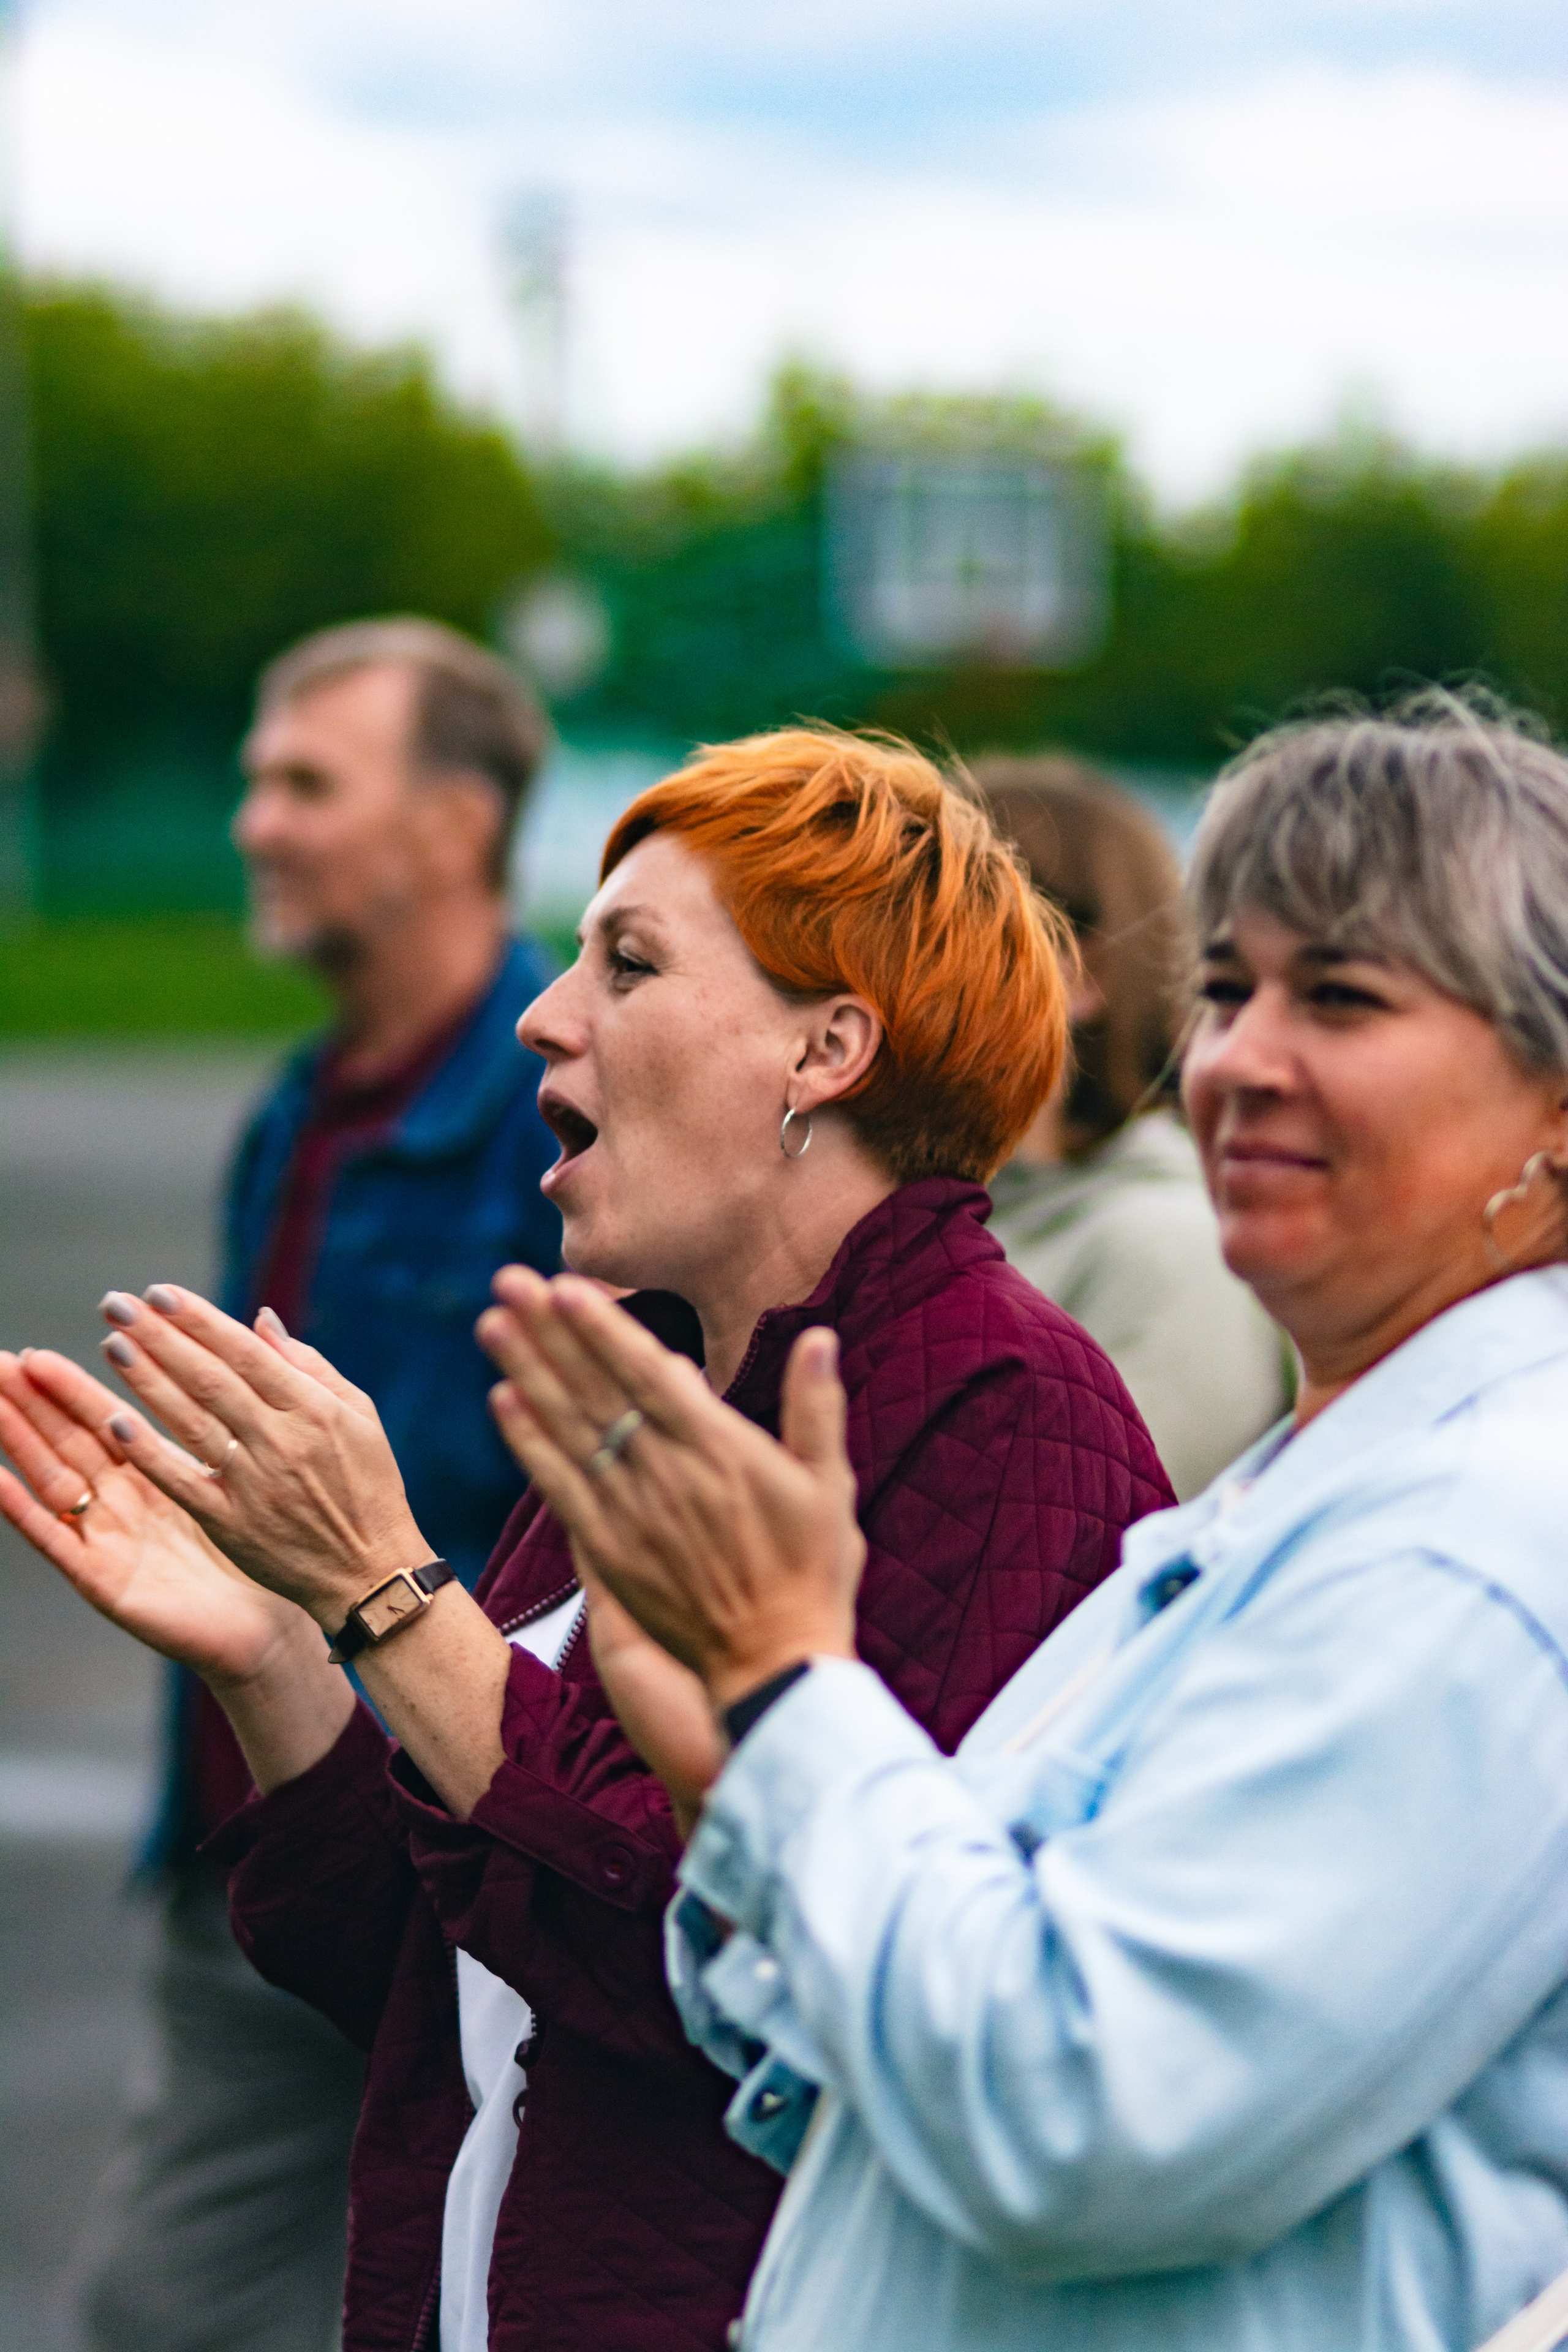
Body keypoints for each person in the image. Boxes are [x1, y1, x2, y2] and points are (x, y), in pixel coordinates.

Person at [0, 728, 1172, 2352]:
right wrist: (278, 1653)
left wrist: (385, 1592)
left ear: (826, 1049)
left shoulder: (999, 1405)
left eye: (626, 962)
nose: (547, 1015)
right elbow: (431, 1979)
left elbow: (738, 2002)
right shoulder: (658, 1379)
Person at [473, 696, 1568, 2352]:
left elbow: (1076, 2115)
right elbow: (868, 2037)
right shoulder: (1312, 1490)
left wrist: (783, 1692)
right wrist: (732, 1757)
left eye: (1340, 998)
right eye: (1224, 991)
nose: (1242, 1060)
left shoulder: (1467, 1555)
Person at [86, 617, 563, 2352]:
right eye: (249, 783)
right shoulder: (303, 1103)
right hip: (249, 1850)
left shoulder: (558, 1122)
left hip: (451, 1860)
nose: (252, 824)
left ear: (453, 824)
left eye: (304, 783)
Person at [975, 754, 1288, 1498]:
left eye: (933, 923)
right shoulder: (912, 1213)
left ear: (1078, 974)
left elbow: (1081, 1552)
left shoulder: (1166, 1246)